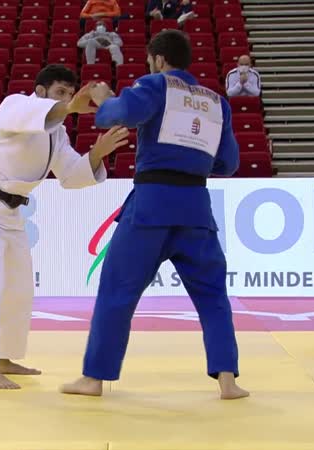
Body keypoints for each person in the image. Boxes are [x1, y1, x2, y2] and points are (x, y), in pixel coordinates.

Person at [60, 30, 248, 400]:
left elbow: (120, 114)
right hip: (196, 209)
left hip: (151, 206)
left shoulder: (158, 85)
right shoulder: (216, 102)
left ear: (159, 60)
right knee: (213, 297)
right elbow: (229, 163)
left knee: (117, 291)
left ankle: (94, 378)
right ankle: (228, 380)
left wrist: (103, 97)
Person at [0, 65, 129, 390]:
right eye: (59, 92)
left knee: (19, 290)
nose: (66, 98)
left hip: (11, 213)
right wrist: (69, 107)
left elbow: (71, 175)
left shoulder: (57, 133)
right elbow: (38, 115)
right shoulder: (14, 105)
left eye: (69, 92)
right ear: (40, 91)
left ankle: (5, 357)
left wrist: (97, 152)